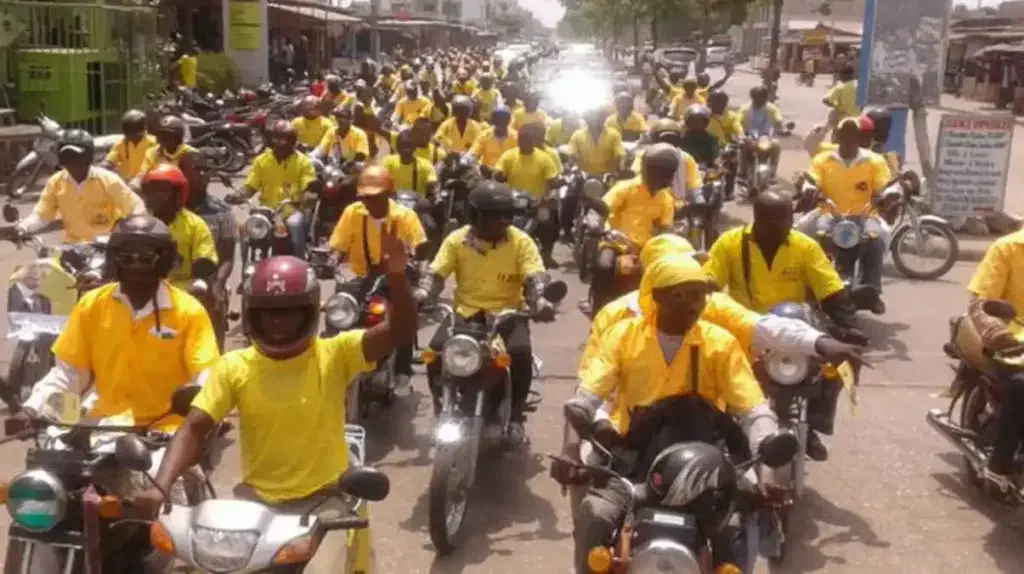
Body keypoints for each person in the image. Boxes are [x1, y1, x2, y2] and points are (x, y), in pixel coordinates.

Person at [133, 245, 415, 573]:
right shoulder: (234, 366)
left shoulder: (336, 354)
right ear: (253, 314)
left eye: (289, 312)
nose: (278, 322)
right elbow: (195, 426)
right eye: (269, 313)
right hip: (255, 501)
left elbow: (401, 331)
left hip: (324, 500)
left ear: (308, 311)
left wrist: (396, 278)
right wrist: (160, 487)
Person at [551, 254, 780, 574]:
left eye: (701, 294)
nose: (695, 303)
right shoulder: (622, 336)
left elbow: (755, 411)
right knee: (595, 515)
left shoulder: (721, 343)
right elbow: (586, 397)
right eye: (682, 294)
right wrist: (570, 448)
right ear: (656, 296)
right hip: (634, 461)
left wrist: (767, 471)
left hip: (709, 463)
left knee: (738, 529)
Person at [414, 182, 558, 444]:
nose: (504, 221)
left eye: (508, 215)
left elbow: (535, 275)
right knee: (434, 353)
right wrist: (423, 294)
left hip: (507, 315)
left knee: (520, 353)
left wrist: (540, 302)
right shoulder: (457, 240)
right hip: (465, 313)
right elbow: (436, 273)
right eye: (495, 215)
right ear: (476, 216)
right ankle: (441, 407)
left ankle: (515, 418)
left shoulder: (520, 241)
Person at [705, 190, 864, 366]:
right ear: (759, 219)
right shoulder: (729, 243)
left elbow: (830, 290)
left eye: (789, 219)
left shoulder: (805, 246)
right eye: (778, 221)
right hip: (745, 331)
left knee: (826, 377)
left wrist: (850, 326)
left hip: (793, 331)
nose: (787, 225)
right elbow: (709, 286)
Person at [330, 166, 429, 391]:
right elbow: (337, 245)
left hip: (394, 277)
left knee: (403, 314)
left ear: (388, 194)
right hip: (360, 276)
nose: (370, 202)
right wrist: (330, 259)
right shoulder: (352, 212)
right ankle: (333, 363)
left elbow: (420, 246)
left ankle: (403, 371)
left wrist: (418, 268)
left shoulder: (405, 216)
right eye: (366, 197)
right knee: (337, 311)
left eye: (376, 197)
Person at [798, 117, 892, 314]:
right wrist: (808, 189)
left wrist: (888, 195)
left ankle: (872, 291)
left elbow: (885, 185)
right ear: (838, 136)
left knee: (876, 239)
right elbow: (811, 179)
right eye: (845, 133)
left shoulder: (874, 160)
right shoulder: (823, 159)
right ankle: (810, 285)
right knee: (809, 237)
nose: (849, 138)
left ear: (860, 137)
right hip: (830, 213)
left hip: (865, 215)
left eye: (853, 134)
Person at [0, 129, 145, 243]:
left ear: (88, 157)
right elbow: (42, 216)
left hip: (106, 248)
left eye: (76, 156)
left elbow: (135, 207)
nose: (72, 162)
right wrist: (22, 228)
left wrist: (131, 232)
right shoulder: (55, 183)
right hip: (72, 249)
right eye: (67, 156)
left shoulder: (108, 180)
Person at [966, 228, 1024, 499]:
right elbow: (981, 303)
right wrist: (997, 333)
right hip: (1013, 345)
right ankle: (999, 465)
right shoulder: (1008, 248)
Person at [587, 144, 678, 313]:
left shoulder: (666, 198)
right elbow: (603, 207)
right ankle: (597, 309)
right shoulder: (625, 187)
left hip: (645, 250)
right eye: (660, 172)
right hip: (616, 244)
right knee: (604, 266)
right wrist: (595, 221)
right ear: (647, 169)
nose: (664, 177)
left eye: (668, 172)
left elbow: (666, 227)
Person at [229, 120, 317, 258]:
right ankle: (247, 267)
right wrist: (238, 195)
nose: (279, 143)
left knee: (295, 225)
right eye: (276, 138)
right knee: (246, 228)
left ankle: (300, 263)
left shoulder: (303, 162)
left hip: (291, 210)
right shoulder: (261, 160)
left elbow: (309, 185)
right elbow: (250, 186)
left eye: (283, 139)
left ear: (292, 141)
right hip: (266, 210)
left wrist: (309, 196)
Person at [138, 164, 218, 293]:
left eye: (161, 191)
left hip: (184, 292)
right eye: (151, 191)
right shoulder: (139, 224)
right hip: (143, 289)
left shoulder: (195, 225)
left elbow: (205, 258)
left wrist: (201, 275)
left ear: (177, 194)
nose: (155, 196)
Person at [184, 164, 237, 352]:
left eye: (206, 169)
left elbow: (228, 255)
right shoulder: (167, 210)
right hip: (172, 279)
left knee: (214, 305)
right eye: (196, 169)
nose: (203, 174)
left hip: (209, 279)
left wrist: (219, 283)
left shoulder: (222, 211)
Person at [495, 122, 561, 267]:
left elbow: (552, 181)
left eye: (526, 139)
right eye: (521, 138)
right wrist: (498, 175)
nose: (523, 142)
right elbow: (499, 172)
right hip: (512, 201)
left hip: (537, 203)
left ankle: (547, 255)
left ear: (532, 141)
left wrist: (547, 198)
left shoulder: (544, 158)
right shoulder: (509, 155)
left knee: (548, 223)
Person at [631, 119, 702, 202]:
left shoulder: (686, 158)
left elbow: (695, 185)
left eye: (672, 139)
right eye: (665, 139)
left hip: (677, 206)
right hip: (648, 202)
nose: (668, 143)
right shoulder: (644, 155)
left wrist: (699, 201)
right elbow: (637, 177)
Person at [133, 115, 201, 190]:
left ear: (178, 137)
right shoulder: (152, 152)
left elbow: (196, 183)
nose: (163, 138)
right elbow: (142, 174)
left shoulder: (191, 153)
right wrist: (135, 184)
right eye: (162, 134)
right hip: (159, 195)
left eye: (168, 135)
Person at [102, 109, 159, 181]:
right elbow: (109, 161)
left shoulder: (154, 143)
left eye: (134, 134)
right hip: (127, 184)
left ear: (143, 130)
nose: (129, 137)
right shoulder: (120, 144)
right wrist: (101, 167)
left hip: (148, 183)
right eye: (127, 134)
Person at [568, 108, 625, 176]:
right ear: (586, 119)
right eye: (592, 117)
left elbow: (619, 154)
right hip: (584, 176)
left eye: (599, 117)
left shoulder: (614, 134)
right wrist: (580, 161)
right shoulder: (577, 135)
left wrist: (615, 169)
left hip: (607, 176)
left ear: (604, 118)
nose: (596, 120)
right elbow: (571, 152)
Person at [382, 129, 438, 198]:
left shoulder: (425, 164)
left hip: (416, 205)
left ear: (414, 147)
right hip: (394, 203)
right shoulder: (388, 161)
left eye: (409, 145)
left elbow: (432, 181)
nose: (406, 149)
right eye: (403, 145)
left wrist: (431, 185)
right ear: (398, 147)